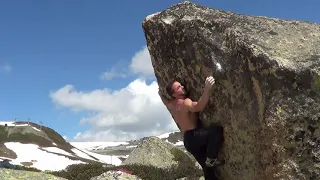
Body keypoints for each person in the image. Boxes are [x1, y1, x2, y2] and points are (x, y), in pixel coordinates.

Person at [158, 76, 224, 180]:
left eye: (181, 85)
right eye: (179, 87)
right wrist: (207, 89)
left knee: (208, 170)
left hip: (188, 141)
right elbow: (199, 106)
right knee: (216, 131)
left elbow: (165, 101)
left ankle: (209, 163)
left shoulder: (171, 105)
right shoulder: (185, 102)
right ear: (174, 94)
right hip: (194, 136)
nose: (183, 87)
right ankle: (211, 159)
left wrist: (160, 94)